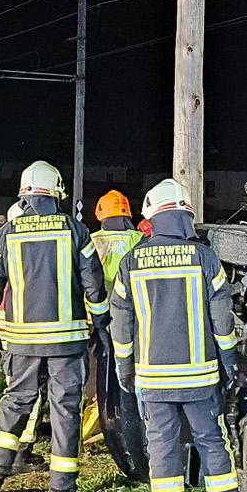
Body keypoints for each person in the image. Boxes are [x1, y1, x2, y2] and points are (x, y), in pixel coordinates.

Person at [106, 180, 247, 492]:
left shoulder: (131, 262)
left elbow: (120, 324)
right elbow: (223, 319)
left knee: (162, 449)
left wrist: (125, 368)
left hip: (153, 379)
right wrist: (229, 362)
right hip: (201, 377)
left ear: (151, 218)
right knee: (213, 444)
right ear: (185, 215)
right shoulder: (204, 257)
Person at [0, 160, 108, 492]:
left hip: (22, 340)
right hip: (68, 340)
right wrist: (103, 326)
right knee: (66, 409)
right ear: (57, 191)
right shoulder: (75, 230)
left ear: (24, 195)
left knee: (16, 402)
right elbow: (93, 284)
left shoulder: (6, 234)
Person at [83, 189, 145, 459]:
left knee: (93, 374)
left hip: (95, 318)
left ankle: (92, 424)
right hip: (134, 320)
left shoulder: (92, 240)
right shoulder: (140, 239)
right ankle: (127, 424)